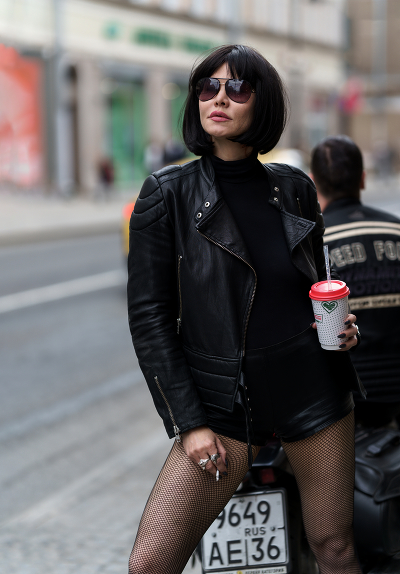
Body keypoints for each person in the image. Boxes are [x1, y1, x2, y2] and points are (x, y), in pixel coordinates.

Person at [127, 45, 363, 574]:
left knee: (335, 548)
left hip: (312, 392)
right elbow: (150, 319)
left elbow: (317, 284)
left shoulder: (295, 188)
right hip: (222, 409)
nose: (219, 98)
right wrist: (189, 423)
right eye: (208, 87)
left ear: (263, 103)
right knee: (150, 564)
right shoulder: (166, 195)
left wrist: (343, 328)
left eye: (237, 88)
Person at [311, 135, 400, 427]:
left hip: (343, 395)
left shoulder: (313, 244)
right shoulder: (396, 229)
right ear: (362, 178)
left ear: (313, 182)